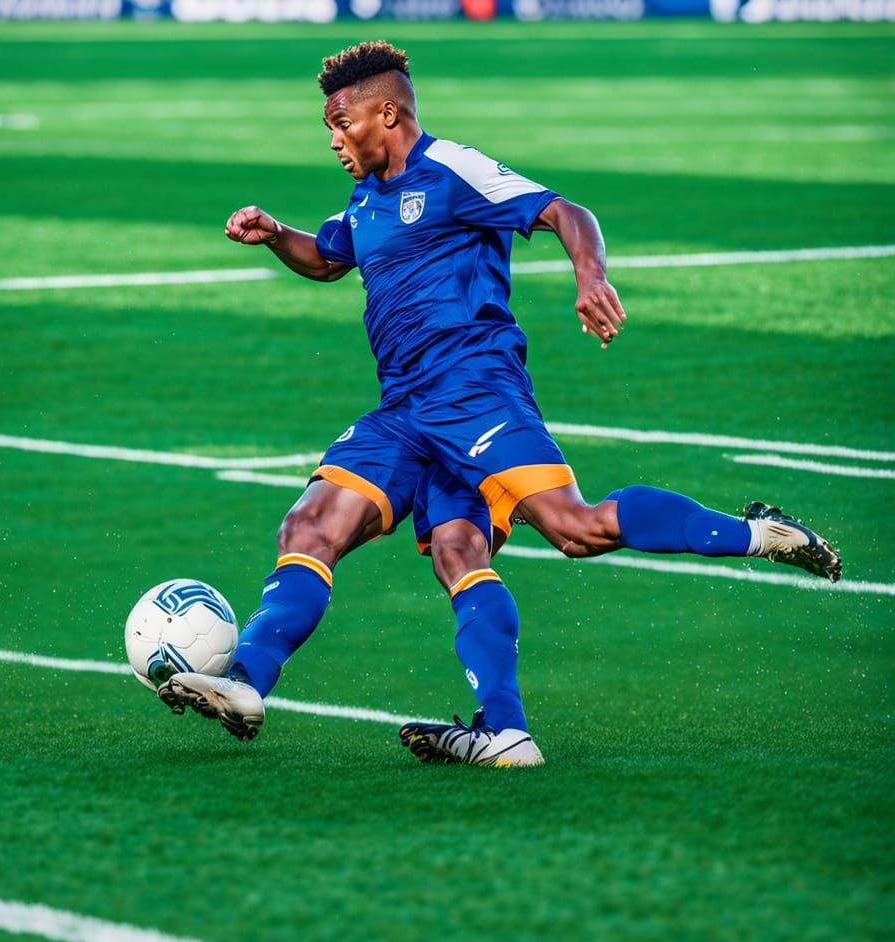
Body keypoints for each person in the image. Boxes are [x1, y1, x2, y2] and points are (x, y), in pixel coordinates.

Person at [156, 40, 841, 768]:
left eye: (341, 121)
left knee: (575, 528)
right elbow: (328, 258)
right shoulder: (366, 199)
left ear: (386, 112)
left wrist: (589, 276)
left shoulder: (454, 168)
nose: (333, 139)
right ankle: (259, 684)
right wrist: (274, 236)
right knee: (328, 528)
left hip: (476, 389)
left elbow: (563, 211)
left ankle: (758, 535)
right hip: (405, 410)